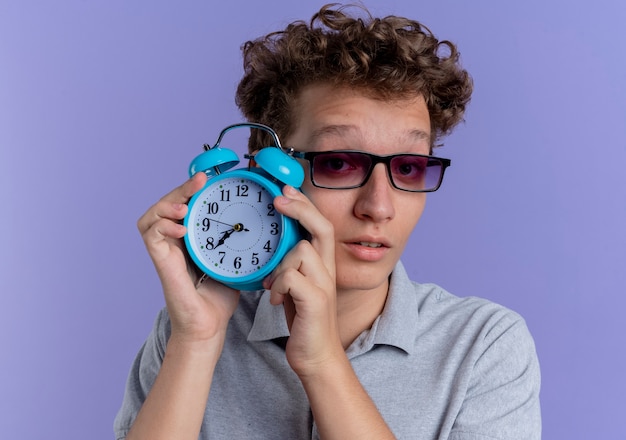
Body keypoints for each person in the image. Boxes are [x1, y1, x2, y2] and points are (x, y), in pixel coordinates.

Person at [114, 4, 541, 439]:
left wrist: (322, 364)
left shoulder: (483, 345)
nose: (379, 206)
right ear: (268, 171)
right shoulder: (187, 326)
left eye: (409, 168)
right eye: (339, 163)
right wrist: (197, 342)